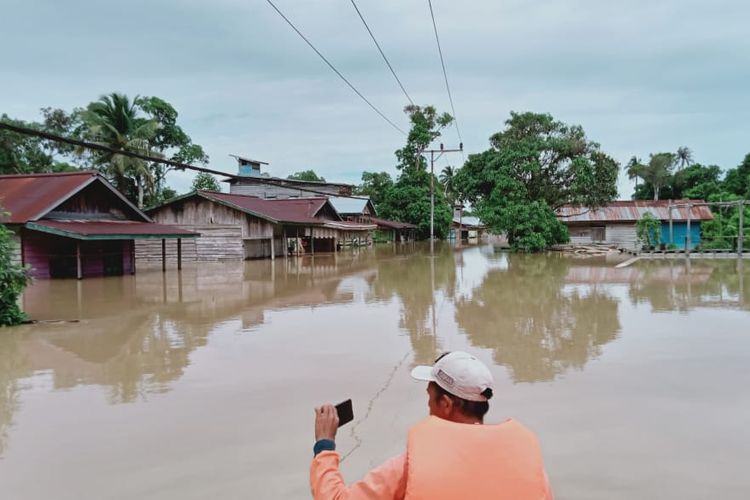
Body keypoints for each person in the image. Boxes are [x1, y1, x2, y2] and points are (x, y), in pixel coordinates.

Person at [310, 351, 554, 499]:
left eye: (429, 397)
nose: (428, 407)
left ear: (446, 404)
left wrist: (325, 446)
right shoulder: (530, 468)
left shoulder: (409, 467)